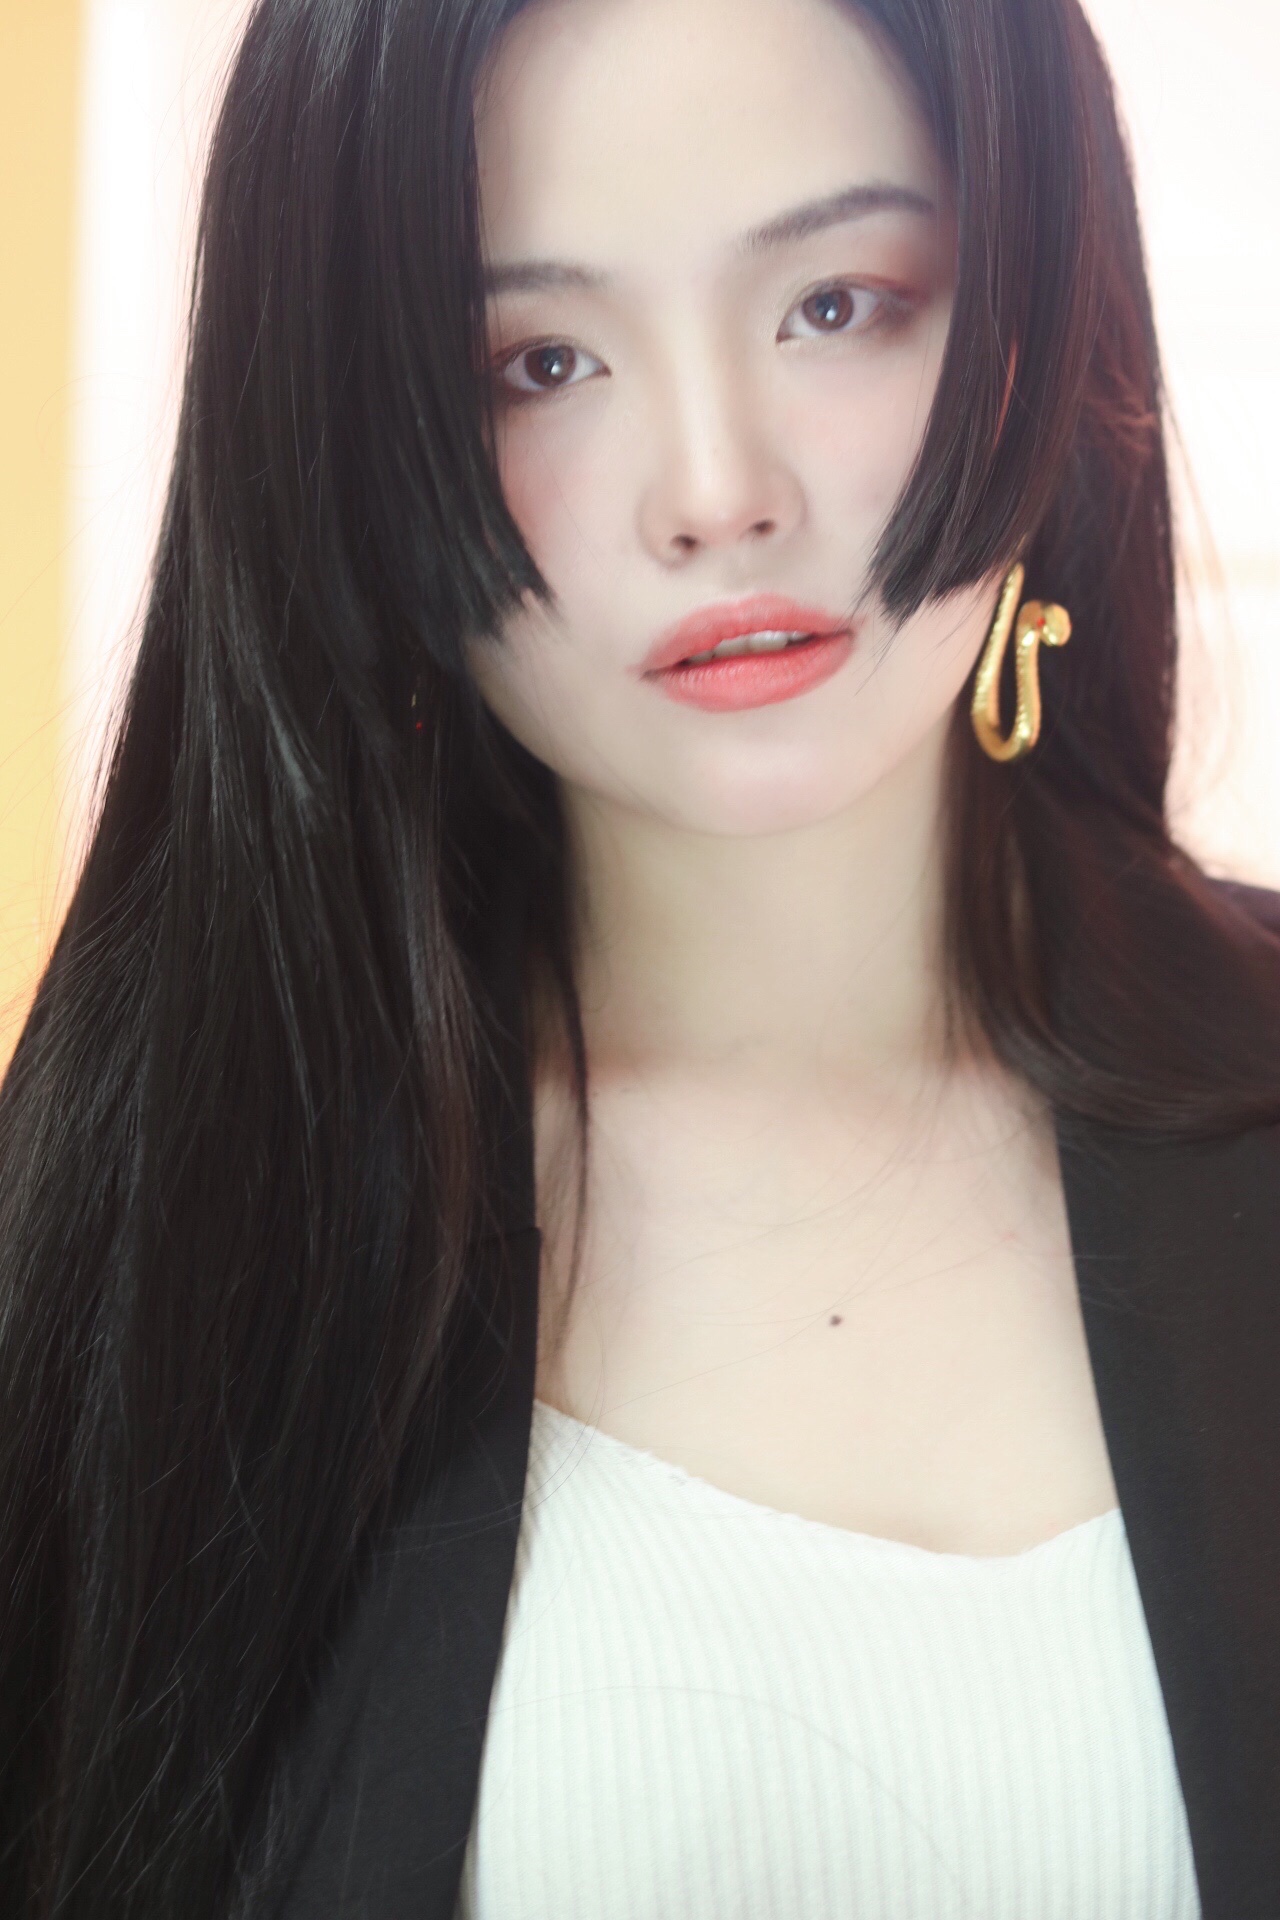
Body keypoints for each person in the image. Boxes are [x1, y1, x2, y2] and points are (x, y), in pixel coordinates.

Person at [1, 0, 1278, 1914]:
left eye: (836, 305)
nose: (715, 489)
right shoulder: (178, 1216)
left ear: (1035, 304)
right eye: (541, 361)